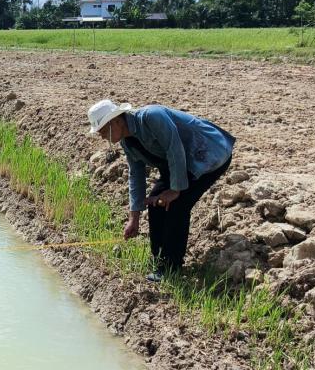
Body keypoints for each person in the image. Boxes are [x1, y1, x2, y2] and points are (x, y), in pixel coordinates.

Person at [87, 99, 235, 281]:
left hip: (208, 153)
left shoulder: (152, 117)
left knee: (176, 205)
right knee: (156, 202)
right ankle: (159, 260)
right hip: (181, 163)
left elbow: (175, 148)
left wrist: (175, 190)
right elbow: (136, 174)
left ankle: (171, 267)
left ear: (116, 121)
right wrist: (134, 218)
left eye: (102, 131)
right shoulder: (127, 142)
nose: (102, 136)